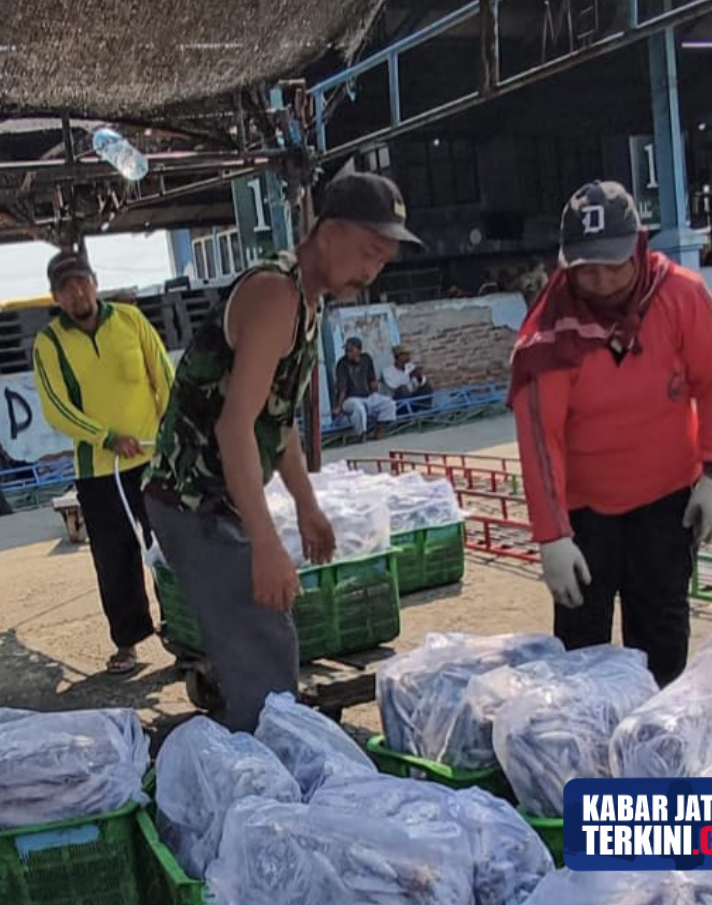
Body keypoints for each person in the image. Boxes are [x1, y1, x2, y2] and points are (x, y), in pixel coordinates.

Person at [144, 172, 423, 731]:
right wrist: (267, 543)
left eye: (383, 261)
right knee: (264, 639)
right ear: (330, 230)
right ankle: (264, 762)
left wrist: (306, 504)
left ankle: (257, 739)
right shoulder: (276, 294)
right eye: (369, 251)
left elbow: (277, 420)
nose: (372, 271)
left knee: (263, 632)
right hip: (190, 499)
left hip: (212, 499)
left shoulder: (307, 302)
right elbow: (234, 428)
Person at [510, 180, 712, 687]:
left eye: (614, 264)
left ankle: (654, 728)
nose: (602, 281)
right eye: (586, 269)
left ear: (638, 247)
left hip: (666, 502)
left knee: (661, 633)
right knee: (580, 648)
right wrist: (553, 536)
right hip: (584, 516)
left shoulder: (681, 296)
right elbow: (541, 439)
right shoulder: (549, 333)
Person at [33, 249, 174, 675]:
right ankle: (127, 643)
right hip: (97, 470)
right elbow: (56, 407)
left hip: (152, 460)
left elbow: (164, 377)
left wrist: (172, 432)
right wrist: (106, 438)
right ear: (56, 297)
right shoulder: (49, 344)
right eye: (66, 288)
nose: (77, 293)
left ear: (94, 282)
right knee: (115, 557)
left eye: (82, 282)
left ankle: (183, 629)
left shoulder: (131, 320)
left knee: (170, 545)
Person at [333, 337, 397, 441]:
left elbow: (372, 380)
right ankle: (361, 435)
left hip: (367, 396)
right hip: (350, 399)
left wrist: (375, 394)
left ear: (359, 350)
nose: (348, 353)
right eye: (347, 350)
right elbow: (342, 388)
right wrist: (339, 406)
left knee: (389, 404)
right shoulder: (342, 364)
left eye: (351, 350)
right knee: (359, 408)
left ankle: (378, 431)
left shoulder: (366, 359)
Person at [381, 344, 432, 411]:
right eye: (405, 354)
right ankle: (410, 411)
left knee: (426, 387)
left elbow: (419, 384)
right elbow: (394, 386)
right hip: (397, 402)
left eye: (408, 354)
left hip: (413, 398)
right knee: (403, 389)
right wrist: (409, 376)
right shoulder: (387, 371)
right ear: (398, 357)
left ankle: (426, 410)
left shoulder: (410, 366)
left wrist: (419, 377)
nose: (408, 356)